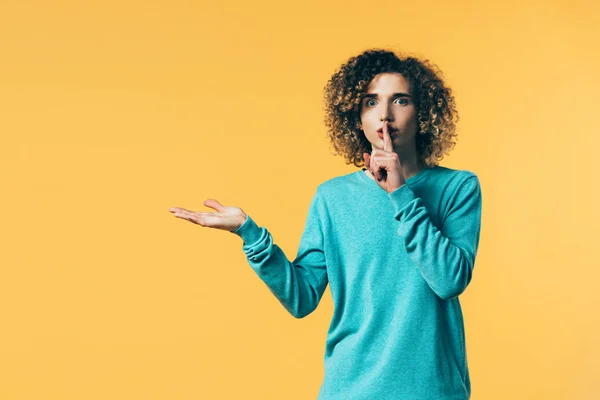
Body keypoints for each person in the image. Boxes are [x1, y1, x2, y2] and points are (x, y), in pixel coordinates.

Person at [169, 48, 482, 400]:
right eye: (370, 102)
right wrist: (250, 234)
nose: (384, 115)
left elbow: (449, 280)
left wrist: (400, 193)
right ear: (355, 116)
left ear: (422, 113)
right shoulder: (333, 197)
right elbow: (301, 298)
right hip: (350, 390)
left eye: (401, 100)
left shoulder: (457, 187)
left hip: (433, 390)